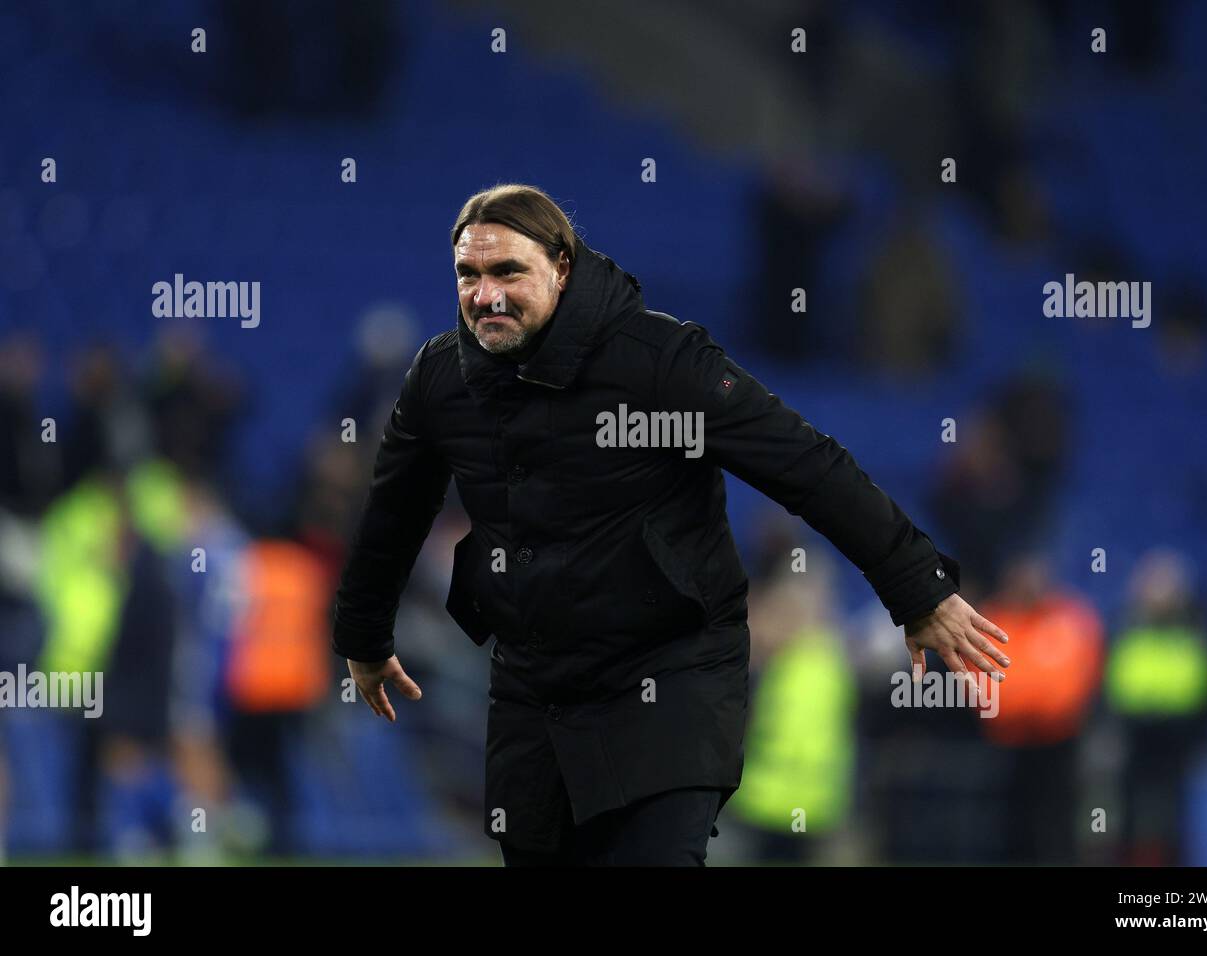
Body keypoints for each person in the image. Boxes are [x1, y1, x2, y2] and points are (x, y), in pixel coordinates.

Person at [331, 183, 1010, 866]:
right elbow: (395, 510)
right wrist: (363, 633)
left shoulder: (662, 363)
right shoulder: (442, 379)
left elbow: (804, 464)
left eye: (508, 270)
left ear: (562, 269)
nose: (486, 294)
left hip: (670, 684)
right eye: (469, 275)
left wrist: (915, 586)